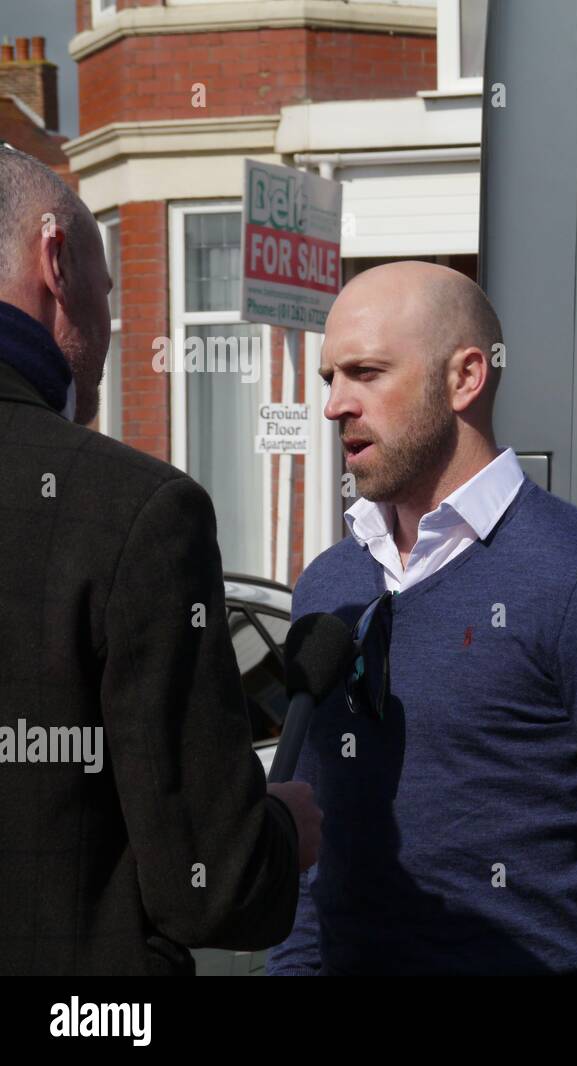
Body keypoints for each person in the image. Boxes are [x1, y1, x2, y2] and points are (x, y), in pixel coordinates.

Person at [267, 262, 577, 976]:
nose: (334, 405)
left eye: (365, 373)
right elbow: (304, 836)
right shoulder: (331, 585)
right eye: (330, 379)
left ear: (466, 378)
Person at [0, 147, 320, 975]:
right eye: (108, 293)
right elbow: (211, 887)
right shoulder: (133, 511)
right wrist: (286, 827)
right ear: (56, 261)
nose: (108, 330)